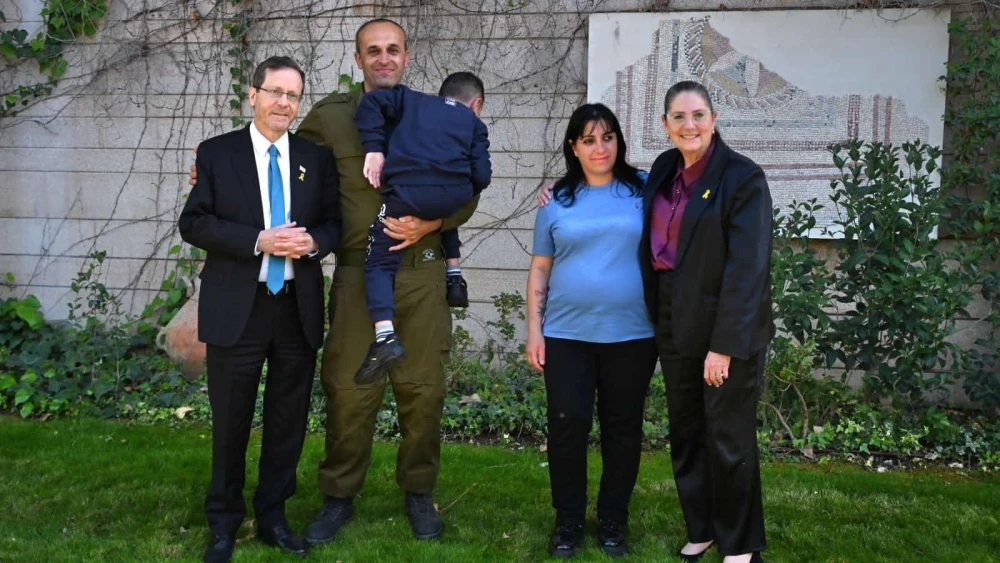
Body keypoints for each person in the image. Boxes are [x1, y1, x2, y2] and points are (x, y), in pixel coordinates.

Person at [178, 56, 341, 563]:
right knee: (231, 421)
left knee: (287, 419)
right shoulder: (217, 154)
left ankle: (273, 515)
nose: (283, 103)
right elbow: (195, 223)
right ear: (253, 95)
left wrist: (313, 241)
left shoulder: (316, 158)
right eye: (274, 92)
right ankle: (223, 522)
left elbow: (335, 223)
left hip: (296, 308)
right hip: (238, 310)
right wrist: (259, 241)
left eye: (293, 95)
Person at [641, 80, 773, 563]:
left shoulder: (743, 178)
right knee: (687, 429)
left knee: (728, 435)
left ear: (714, 119)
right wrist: (562, 190)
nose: (689, 125)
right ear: (665, 125)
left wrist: (724, 346)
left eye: (698, 115)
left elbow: (748, 271)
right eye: (678, 116)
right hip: (672, 315)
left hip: (725, 321)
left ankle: (740, 544)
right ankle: (702, 527)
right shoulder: (662, 170)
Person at [525, 103, 657, 559]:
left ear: (619, 141)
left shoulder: (644, 190)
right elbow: (540, 270)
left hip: (633, 335)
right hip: (566, 336)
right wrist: (534, 331)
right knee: (568, 428)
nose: (599, 148)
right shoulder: (557, 201)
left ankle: (614, 523)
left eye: (607, 137)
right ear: (573, 147)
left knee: (622, 429)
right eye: (588, 139)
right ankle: (568, 522)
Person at [354, 72, 491, 384]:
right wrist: (452, 184)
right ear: (476, 103)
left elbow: (372, 101)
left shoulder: (410, 100)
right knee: (441, 210)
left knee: (379, 257)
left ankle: (385, 336)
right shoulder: (474, 124)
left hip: (408, 192)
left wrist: (374, 148)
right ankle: (455, 277)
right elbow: (482, 176)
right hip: (451, 196)